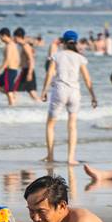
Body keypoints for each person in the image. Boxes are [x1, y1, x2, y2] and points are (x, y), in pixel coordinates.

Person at [41, 30, 97, 165]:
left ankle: (50, 156)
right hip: (74, 92)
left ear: (63, 42)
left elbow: (49, 74)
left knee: (50, 125)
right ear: (76, 42)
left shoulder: (56, 56)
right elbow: (87, 79)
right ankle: (71, 158)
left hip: (59, 90)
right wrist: (93, 96)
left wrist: (44, 91)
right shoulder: (80, 58)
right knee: (72, 126)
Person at [0, 28, 21, 106]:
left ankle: (12, 105)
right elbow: (17, 58)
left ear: (4, 36)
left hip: (10, 70)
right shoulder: (13, 45)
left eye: (0, 37)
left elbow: (7, 60)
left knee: (8, 91)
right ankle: (13, 96)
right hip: (12, 70)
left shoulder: (9, 46)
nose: (0, 39)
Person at [13, 27, 41, 102]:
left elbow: (31, 59)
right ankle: (41, 106)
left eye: (14, 37)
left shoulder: (25, 46)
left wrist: (29, 73)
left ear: (17, 36)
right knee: (31, 92)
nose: (14, 39)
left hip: (27, 71)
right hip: (26, 70)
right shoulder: (23, 46)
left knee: (14, 90)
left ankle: (13, 106)